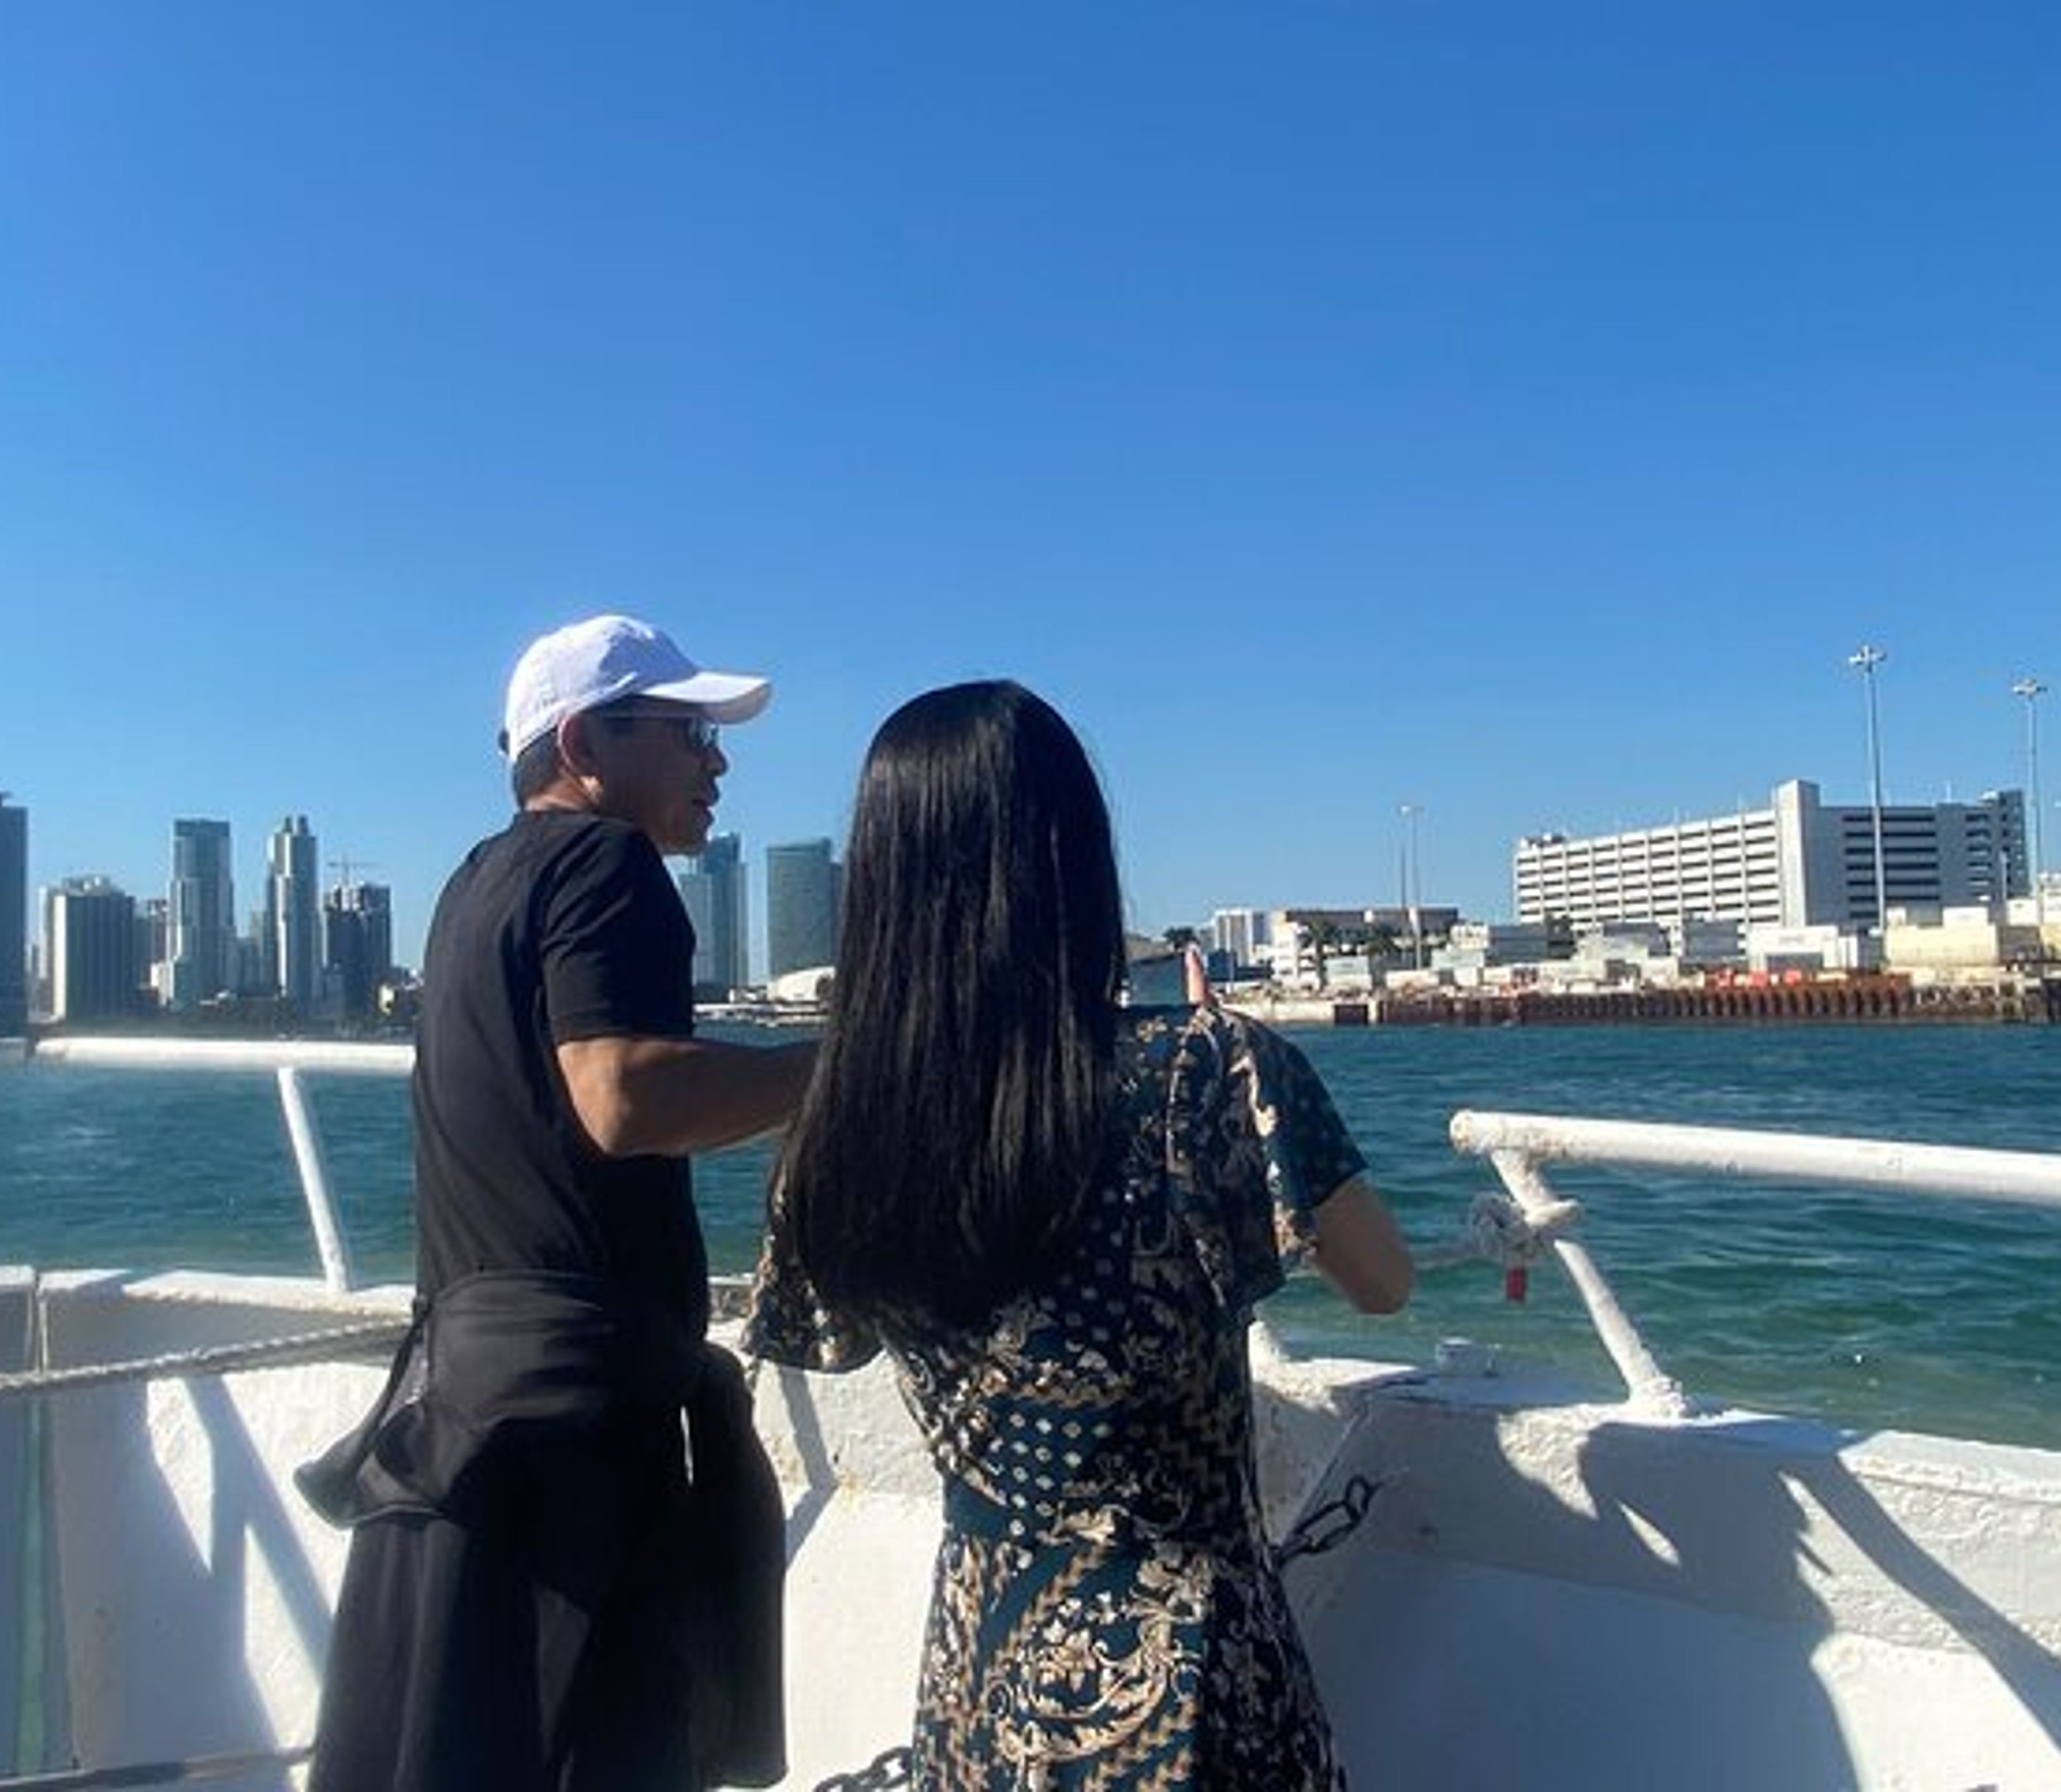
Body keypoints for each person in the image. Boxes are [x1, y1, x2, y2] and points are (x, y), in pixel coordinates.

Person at [746, 680, 1413, 1790]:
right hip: (1196, 1674)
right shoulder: (1208, 1069)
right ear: (1075, 862)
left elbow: (818, 1337)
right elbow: (1383, 1283)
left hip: (979, 1672)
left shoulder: (839, 1121)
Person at [306, 614, 816, 1792]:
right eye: (689, 733)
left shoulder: (472, 886)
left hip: (466, 1422)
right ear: (586, 744)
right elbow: (623, 1098)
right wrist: (843, 1072)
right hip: (577, 1450)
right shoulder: (606, 863)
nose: (717, 764)